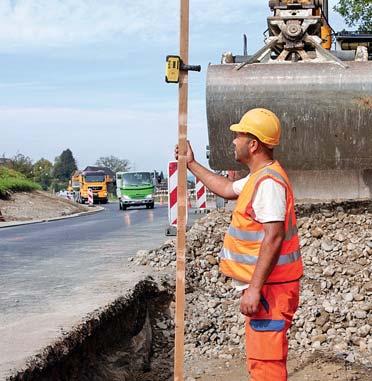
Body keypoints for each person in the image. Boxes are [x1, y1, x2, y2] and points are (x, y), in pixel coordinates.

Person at [175, 108, 303, 381]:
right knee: (262, 363)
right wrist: (191, 164)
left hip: (271, 290)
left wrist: (255, 289)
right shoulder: (259, 177)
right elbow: (224, 188)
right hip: (269, 288)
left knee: (266, 366)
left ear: (253, 144)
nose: (233, 141)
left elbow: (274, 236)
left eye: (238, 136)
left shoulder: (269, 183)